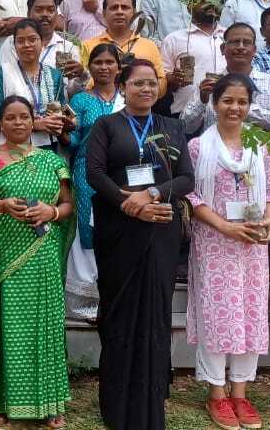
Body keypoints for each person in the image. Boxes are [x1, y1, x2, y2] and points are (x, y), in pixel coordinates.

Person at [86, 58, 194, 429]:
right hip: (118, 230)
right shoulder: (107, 126)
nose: (146, 89)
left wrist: (151, 194)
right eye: (137, 83)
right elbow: (95, 174)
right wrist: (129, 204)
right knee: (119, 310)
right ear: (123, 86)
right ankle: (116, 400)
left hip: (161, 227)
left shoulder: (172, 127)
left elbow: (186, 179)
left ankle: (151, 396)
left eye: (152, 83)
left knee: (156, 310)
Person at [0, 95, 73, 428]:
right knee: (5, 322)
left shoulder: (51, 160)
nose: (18, 123)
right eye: (10, 117)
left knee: (45, 322)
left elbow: (68, 205)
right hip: (2, 254)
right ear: (1, 123)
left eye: (24, 116)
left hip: (42, 252)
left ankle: (51, 402)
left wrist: (51, 212)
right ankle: (0, 399)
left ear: (32, 120)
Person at [185, 74, 270, 430]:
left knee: (250, 313)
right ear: (214, 103)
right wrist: (225, 226)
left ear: (250, 106)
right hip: (214, 241)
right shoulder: (198, 147)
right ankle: (216, 393)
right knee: (218, 314)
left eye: (242, 102)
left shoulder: (262, 145)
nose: (234, 108)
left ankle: (240, 392)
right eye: (228, 100)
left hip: (252, 243)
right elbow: (192, 197)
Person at [66, 43, 125, 322]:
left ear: (119, 67)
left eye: (109, 62)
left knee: (116, 226)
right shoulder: (79, 100)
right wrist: (65, 132)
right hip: (86, 169)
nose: (104, 67)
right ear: (89, 67)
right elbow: (74, 141)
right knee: (86, 228)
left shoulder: (128, 97)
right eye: (98, 62)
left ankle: (114, 296)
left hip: (121, 172)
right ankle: (87, 300)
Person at [182, 23, 270, 134]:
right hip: (214, 145)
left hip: (257, 145)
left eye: (246, 43)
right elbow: (185, 127)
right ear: (223, 49)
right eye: (235, 42)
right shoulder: (208, 85)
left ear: (254, 50)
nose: (240, 47)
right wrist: (202, 101)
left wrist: (241, 107)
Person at [0, 19, 70, 149]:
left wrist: (69, 120)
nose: (27, 45)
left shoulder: (54, 75)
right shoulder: (4, 73)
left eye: (32, 39)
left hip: (48, 146)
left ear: (42, 42)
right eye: (20, 41)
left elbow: (62, 107)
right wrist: (35, 125)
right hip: (13, 146)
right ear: (14, 46)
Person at [0, 0, 85, 94]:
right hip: (18, 102)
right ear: (28, 14)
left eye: (51, 10)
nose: (45, 14)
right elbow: (6, 81)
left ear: (57, 15)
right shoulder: (12, 43)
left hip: (57, 103)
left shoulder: (68, 47)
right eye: (39, 10)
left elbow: (70, 91)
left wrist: (81, 76)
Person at [82, 0, 167, 97]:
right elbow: (82, 85)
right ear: (104, 13)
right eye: (114, 8)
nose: (119, 12)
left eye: (125, 7)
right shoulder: (88, 46)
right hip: (99, 105)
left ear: (134, 13)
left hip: (139, 106)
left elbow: (162, 87)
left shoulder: (149, 46)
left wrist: (139, 79)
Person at [160, 0, 225, 117]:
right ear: (190, 6)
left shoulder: (230, 36)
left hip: (224, 112)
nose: (211, 4)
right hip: (185, 112)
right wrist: (173, 79)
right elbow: (162, 79)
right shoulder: (174, 39)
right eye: (204, 0)